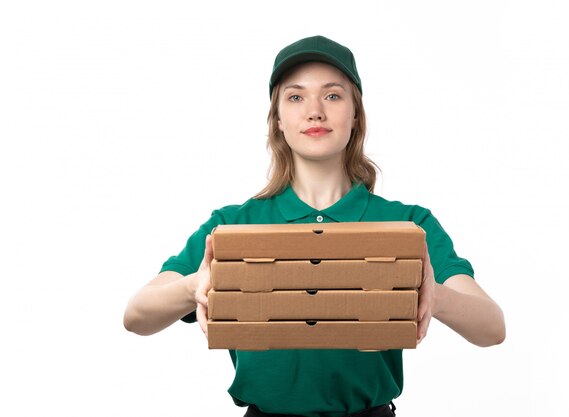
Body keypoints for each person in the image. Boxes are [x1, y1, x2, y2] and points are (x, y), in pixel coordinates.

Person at [124, 35, 505, 417]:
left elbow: (492, 327)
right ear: (278, 119)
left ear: (355, 114)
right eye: (295, 97)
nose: (315, 111)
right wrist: (194, 287)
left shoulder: (409, 224)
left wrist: (435, 296)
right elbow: (137, 316)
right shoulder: (231, 225)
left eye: (333, 96)